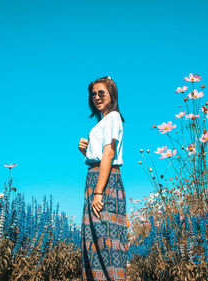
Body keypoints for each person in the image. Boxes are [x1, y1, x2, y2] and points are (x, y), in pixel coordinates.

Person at [78, 76, 128, 281]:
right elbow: (100, 157)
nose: (97, 97)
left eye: (102, 93)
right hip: (94, 179)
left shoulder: (113, 117)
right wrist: (86, 151)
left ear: (111, 95)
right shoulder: (102, 123)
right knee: (94, 239)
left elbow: (109, 154)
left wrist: (99, 192)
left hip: (104, 183)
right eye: (93, 94)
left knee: (107, 239)